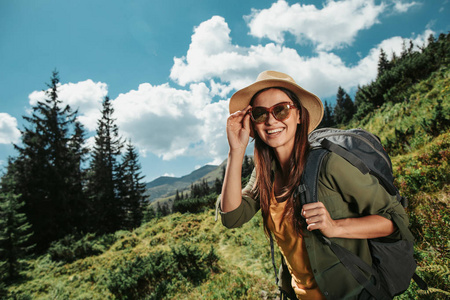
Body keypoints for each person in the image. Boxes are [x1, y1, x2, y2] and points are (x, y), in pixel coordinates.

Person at [218, 70, 408, 299]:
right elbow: (231, 217)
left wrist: (335, 227)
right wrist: (236, 150)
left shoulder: (330, 164)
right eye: (260, 114)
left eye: (281, 110)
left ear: (298, 115)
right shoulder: (264, 174)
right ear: (252, 123)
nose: (271, 120)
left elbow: (394, 220)